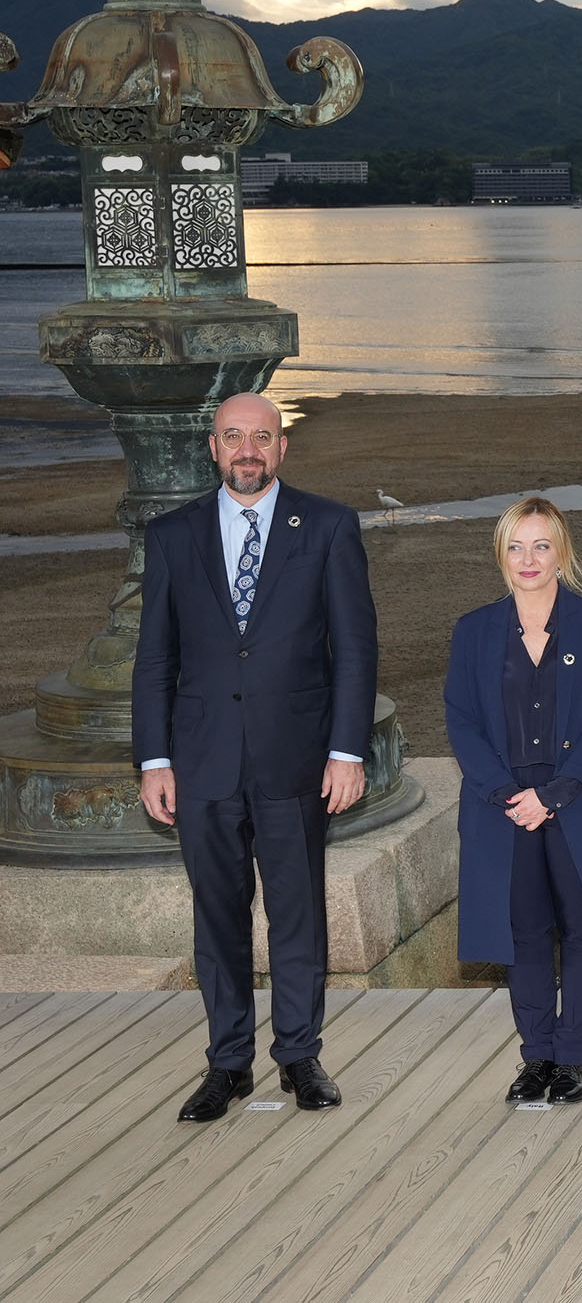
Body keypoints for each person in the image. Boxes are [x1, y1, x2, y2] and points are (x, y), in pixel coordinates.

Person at [133, 391, 377, 1123]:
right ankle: (228, 1062)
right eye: (234, 436)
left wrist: (345, 750)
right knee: (219, 916)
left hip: (297, 757)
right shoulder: (171, 535)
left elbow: (355, 649)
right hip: (202, 759)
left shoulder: (329, 526)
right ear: (213, 446)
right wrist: (153, 759)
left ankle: (300, 1055)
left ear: (282, 447)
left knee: (297, 912)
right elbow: (154, 659)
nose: (248, 449)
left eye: (262, 437)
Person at [445, 497, 582, 1104]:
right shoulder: (474, 630)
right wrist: (509, 793)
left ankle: (570, 1060)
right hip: (502, 806)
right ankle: (535, 1057)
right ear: (501, 556)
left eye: (540, 546)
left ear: (562, 553)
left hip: (577, 799)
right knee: (524, 932)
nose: (528, 559)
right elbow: (461, 720)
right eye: (516, 546)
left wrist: (555, 794)